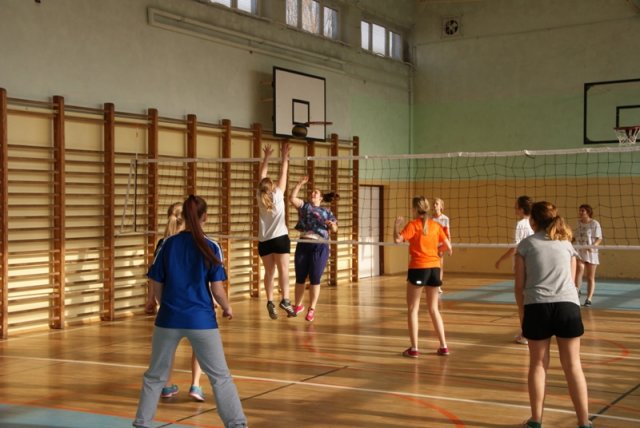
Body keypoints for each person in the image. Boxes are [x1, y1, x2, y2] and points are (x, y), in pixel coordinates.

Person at [133, 195, 247, 428]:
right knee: (220, 378)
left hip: (168, 320)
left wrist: (165, 305)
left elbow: (156, 281)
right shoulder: (211, 246)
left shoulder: (167, 244)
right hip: (201, 321)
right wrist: (227, 307)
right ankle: (237, 425)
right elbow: (217, 289)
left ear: (183, 216)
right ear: (205, 217)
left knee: (155, 376)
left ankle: (142, 423)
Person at [515, 201, 590, 428]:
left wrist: (523, 316)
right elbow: (573, 283)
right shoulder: (566, 245)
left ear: (532, 221)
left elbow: (519, 287)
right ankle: (584, 422)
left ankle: (536, 420)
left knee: (538, 364)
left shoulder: (525, 245)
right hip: (567, 306)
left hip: (537, 307)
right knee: (573, 365)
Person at [144, 202, 206, 402]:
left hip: (169, 305)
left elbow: (155, 275)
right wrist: (215, 300)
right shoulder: (197, 242)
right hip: (195, 305)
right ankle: (195, 385)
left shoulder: (163, 244)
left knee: (167, 348)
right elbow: (205, 275)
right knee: (199, 346)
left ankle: (166, 386)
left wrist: (151, 299)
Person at [394, 196, 452, 358]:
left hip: (419, 268)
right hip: (434, 268)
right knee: (434, 309)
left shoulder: (413, 225)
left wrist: (396, 226)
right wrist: (435, 252)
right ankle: (444, 346)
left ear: (414, 209)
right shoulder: (435, 225)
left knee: (413, 309)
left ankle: (414, 348)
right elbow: (448, 247)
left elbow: (398, 240)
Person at [289, 175, 338, 322]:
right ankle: (298, 306)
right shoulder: (305, 206)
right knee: (300, 277)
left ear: (321, 198)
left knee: (315, 278)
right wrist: (299, 183)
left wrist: (331, 225)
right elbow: (292, 198)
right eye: (312, 192)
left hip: (320, 245)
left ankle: (311, 309)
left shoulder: (327, 212)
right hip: (303, 243)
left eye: (316, 192)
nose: (313, 194)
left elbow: (335, 229)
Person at [257, 143, 296, 319]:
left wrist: (266, 156)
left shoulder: (260, 196)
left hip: (264, 241)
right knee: (283, 270)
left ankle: (270, 301)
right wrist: (284, 156)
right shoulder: (278, 194)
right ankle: (285, 300)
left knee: (269, 272)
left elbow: (262, 175)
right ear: (272, 187)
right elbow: (283, 172)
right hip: (280, 238)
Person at [495, 195, 534, 345]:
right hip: (535, 266)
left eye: (516, 206)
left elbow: (515, 248)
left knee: (522, 303)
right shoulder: (535, 222)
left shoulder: (521, 224)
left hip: (522, 267)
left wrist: (500, 259)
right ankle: (532, 331)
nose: (514, 208)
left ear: (522, 209)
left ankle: (526, 334)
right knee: (531, 301)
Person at [574, 204, 602, 307]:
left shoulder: (595, 223)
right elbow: (576, 236)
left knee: (590, 277)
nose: (580, 212)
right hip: (580, 251)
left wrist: (593, 246)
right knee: (579, 271)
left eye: (583, 211)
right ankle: (576, 292)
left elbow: (599, 238)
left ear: (588, 212)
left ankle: (589, 298)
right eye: (580, 210)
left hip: (591, 253)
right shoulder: (579, 223)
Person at [431, 197, 450, 289]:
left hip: (441, 244)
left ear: (441, 206)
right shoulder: (430, 219)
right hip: (431, 245)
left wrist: (449, 246)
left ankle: (438, 285)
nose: (434, 205)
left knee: (440, 265)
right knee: (431, 265)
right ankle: (431, 284)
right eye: (433, 204)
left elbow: (447, 233)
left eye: (436, 204)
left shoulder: (445, 219)